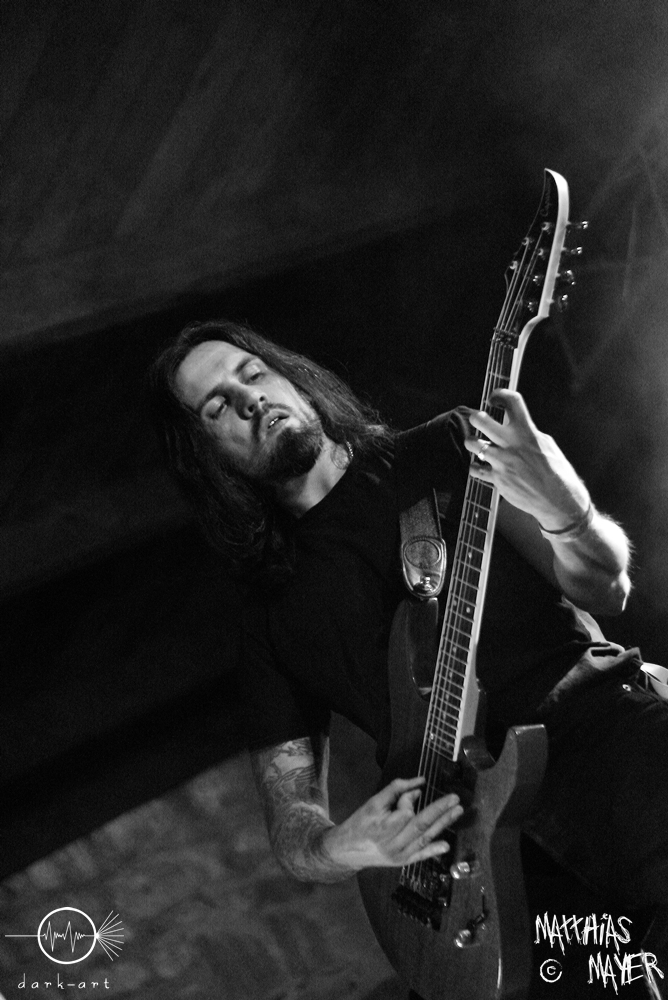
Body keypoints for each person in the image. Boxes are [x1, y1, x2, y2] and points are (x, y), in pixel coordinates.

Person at [151, 319, 668, 983]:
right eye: (218, 406)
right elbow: (292, 824)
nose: (250, 400)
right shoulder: (270, 616)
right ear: (206, 456)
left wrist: (567, 512)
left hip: (607, 745)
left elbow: (606, 588)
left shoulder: (448, 446)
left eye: (252, 373)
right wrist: (342, 845)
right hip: (475, 862)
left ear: (294, 380)